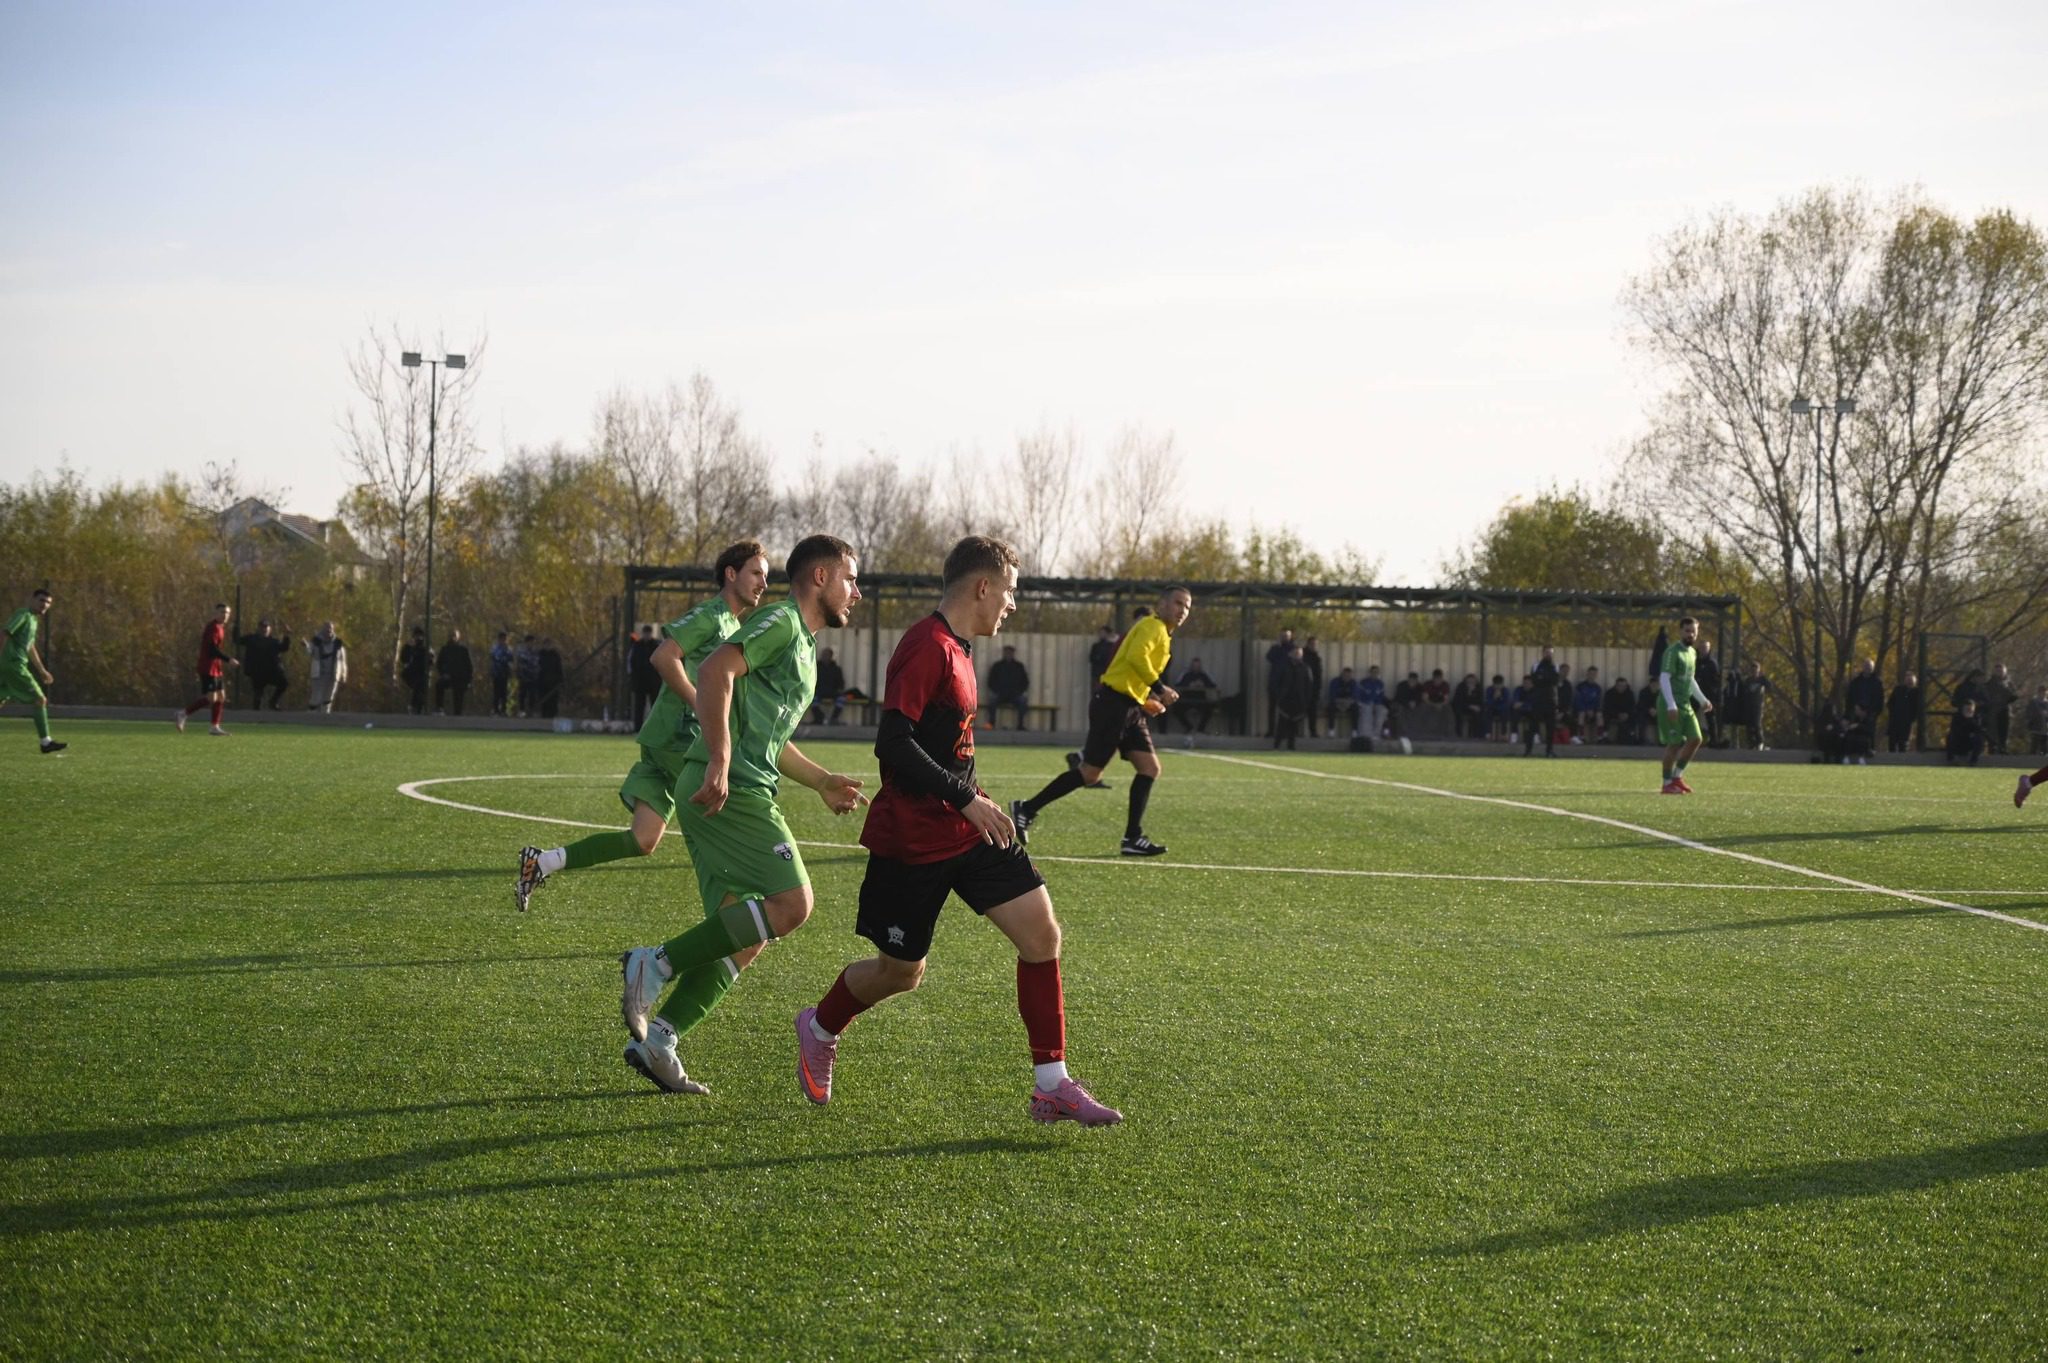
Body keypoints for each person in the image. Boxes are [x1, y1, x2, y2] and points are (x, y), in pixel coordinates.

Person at [794, 535, 1121, 1126]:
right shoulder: (927, 646)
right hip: (913, 838)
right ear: (982, 587)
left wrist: (974, 801)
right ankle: (819, 1026)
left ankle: (1052, 1084)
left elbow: (948, 749)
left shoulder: (962, 648)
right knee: (901, 973)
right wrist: (966, 797)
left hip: (968, 827)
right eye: (1010, 593)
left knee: (1042, 935)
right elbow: (893, 744)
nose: (1012, 605)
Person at [614, 534, 868, 1094]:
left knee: (744, 939)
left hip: (734, 784)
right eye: (850, 578)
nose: (857, 591)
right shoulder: (779, 621)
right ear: (820, 578)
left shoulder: (802, 645)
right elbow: (714, 672)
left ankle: (659, 1040)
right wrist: (721, 760)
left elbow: (771, 739)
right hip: (731, 789)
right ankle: (652, 964)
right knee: (793, 904)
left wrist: (822, 780)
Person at [520, 541, 771, 913]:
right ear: (731, 574)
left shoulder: (732, 625)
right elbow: (663, 657)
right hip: (678, 741)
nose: (763, 583)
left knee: (643, 839)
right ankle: (745, 917)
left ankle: (542, 862)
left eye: (766, 577)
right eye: (756, 573)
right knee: (723, 809)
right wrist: (700, 703)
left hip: (669, 740)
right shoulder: (712, 615)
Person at [1012, 586, 1192, 857]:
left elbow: (1127, 671)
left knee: (1149, 768)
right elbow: (1135, 658)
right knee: (1090, 774)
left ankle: (1133, 838)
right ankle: (1026, 808)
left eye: (1187, 607)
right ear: (1162, 604)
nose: (1182, 610)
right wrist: (1159, 688)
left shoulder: (1163, 635)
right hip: (1113, 706)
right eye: (1178, 603)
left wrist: (1145, 701)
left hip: (1129, 707)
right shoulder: (1151, 625)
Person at [1, 587, 66, 754]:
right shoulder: (23, 614)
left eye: (48, 602)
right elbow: (5, 633)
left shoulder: (33, 620)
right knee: (39, 699)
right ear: (32, 599)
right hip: (13, 666)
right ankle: (46, 743)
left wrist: (42, 670)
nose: (44, 604)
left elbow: (29, 647)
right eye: (41, 600)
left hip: (7, 667)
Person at [1657, 616, 1714, 793]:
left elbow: (1690, 680)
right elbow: (1664, 678)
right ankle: (1667, 784)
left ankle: (1677, 776)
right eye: (1687, 631)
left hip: (1686, 704)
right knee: (1674, 744)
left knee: (1696, 739)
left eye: (1694, 632)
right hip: (1671, 704)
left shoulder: (1692, 653)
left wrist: (1703, 699)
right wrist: (1671, 705)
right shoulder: (1672, 652)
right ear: (1680, 631)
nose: (1691, 635)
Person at [176, 602, 240, 735]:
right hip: (208, 667)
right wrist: (229, 659)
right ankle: (183, 713)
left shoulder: (220, 627)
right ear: (216, 613)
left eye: (227, 613)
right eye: (222, 612)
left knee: (221, 696)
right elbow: (212, 649)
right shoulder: (213, 628)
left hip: (216, 667)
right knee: (212, 698)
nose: (225, 615)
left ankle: (214, 727)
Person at [236, 618, 292, 709]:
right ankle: (256, 715)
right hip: (257, 672)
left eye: (266, 627)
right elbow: (237, 640)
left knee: (283, 684)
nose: (264, 629)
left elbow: (284, 648)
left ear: (270, 629)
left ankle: (273, 702)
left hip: (272, 672)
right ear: (258, 628)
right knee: (258, 694)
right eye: (262, 627)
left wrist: (286, 636)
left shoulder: (273, 641)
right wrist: (236, 627)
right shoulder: (251, 639)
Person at [1271, 642, 1312, 750]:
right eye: (1295, 653)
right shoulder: (1283, 666)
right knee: (1282, 724)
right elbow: (1275, 682)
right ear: (1290, 654)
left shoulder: (1305, 668)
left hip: (1299, 700)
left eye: (1299, 654)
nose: (1297, 655)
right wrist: (1278, 696)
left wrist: (1306, 700)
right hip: (1285, 700)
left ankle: (1291, 746)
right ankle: (1276, 746)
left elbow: (1309, 685)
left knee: (1294, 725)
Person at [985, 644, 1030, 730]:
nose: (1008, 654)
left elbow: (1025, 682)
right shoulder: (997, 666)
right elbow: (990, 681)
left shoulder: (1019, 666)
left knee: (1023, 701)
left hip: (1015, 694)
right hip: (1000, 693)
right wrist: (996, 691)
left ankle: (1020, 725)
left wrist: (1019, 691)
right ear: (1004, 653)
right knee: (992, 700)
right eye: (1007, 652)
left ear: (1013, 653)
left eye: (1010, 652)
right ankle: (991, 723)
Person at [306, 621, 347, 713]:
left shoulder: (338, 643)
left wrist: (343, 675)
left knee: (328, 698)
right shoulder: (316, 641)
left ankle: (325, 718)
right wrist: (306, 646)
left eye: (330, 628)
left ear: (333, 630)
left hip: (333, 674)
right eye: (326, 628)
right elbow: (309, 651)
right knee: (316, 697)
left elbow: (342, 660)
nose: (328, 630)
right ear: (323, 629)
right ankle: (310, 717)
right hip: (318, 674)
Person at [1264, 628, 1296, 737]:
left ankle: (1285, 732)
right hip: (1274, 683)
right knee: (1272, 709)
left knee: (1286, 710)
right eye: (1282, 636)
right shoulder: (1276, 648)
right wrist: (1277, 647)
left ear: (1291, 637)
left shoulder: (1293, 649)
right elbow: (1269, 657)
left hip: (1287, 685)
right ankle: (1271, 731)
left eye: (1287, 636)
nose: (1284, 638)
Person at [628, 623, 662, 726]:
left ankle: (655, 726)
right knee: (639, 705)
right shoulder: (637, 645)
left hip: (654, 680)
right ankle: (637, 727)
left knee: (655, 705)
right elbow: (631, 662)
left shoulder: (657, 645)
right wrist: (633, 676)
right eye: (645, 633)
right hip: (640, 680)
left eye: (648, 633)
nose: (647, 635)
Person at [1174, 657, 1219, 735]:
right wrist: (1189, 685)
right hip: (1187, 700)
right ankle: (1189, 727)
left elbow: (1213, 685)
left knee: (1210, 709)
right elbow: (1177, 684)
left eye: (1198, 666)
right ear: (1191, 666)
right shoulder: (1186, 674)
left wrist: (1203, 685)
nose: (1196, 668)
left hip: (1201, 700)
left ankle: (1200, 729)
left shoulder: (1204, 675)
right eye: (1194, 666)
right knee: (1176, 709)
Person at [1846, 659, 1885, 745]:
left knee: (1869, 733)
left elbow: (1880, 699)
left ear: (1873, 668)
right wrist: (1855, 708)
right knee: (1854, 732)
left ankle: (1870, 751)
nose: (1867, 668)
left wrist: (1869, 712)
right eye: (1866, 666)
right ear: (1863, 667)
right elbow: (1850, 697)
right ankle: (1854, 753)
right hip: (1856, 711)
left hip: (1870, 713)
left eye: (1870, 666)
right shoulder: (1855, 682)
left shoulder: (1877, 683)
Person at [435, 629, 473, 715]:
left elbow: (469, 666)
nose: (453, 638)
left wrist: (469, 680)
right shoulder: (445, 649)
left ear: (458, 637)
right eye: (451, 636)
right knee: (439, 685)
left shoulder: (463, 650)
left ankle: (457, 714)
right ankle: (439, 708)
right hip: (447, 676)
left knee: (458, 695)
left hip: (460, 678)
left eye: (454, 636)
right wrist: (443, 674)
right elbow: (439, 664)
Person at [1983, 663, 2017, 754]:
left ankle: (2003, 749)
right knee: (1992, 732)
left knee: (2004, 732)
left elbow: (2014, 694)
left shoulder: (2009, 683)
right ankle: (1992, 749)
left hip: (2005, 710)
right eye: (1997, 671)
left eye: (2001, 671)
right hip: (1993, 711)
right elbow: (1987, 696)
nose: (2000, 673)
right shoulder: (1989, 684)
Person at [809, 646, 849, 724]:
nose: (824, 656)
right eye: (823, 654)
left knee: (841, 698)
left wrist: (840, 689)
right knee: (810, 699)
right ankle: (819, 717)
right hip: (819, 691)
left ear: (831, 656)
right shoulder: (816, 667)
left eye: (826, 655)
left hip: (832, 691)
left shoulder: (836, 669)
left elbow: (841, 682)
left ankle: (834, 718)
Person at [1694, 640, 1722, 746]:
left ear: (1709, 648)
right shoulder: (1695, 661)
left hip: (1708, 695)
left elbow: (1717, 680)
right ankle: (1688, 737)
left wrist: (1713, 694)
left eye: (1706, 647)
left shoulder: (1712, 663)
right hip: (1695, 693)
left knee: (1711, 718)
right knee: (1690, 714)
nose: (1703, 650)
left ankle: (1714, 740)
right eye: (1702, 647)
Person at [1738, 662, 1772, 750]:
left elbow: (1769, 687)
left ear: (1758, 670)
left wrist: (1765, 680)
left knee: (1757, 724)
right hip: (1748, 706)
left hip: (1758, 706)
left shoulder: (1761, 680)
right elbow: (1743, 693)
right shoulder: (1747, 681)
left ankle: (1760, 742)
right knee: (1749, 725)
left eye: (1755, 670)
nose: (1754, 672)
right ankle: (1751, 743)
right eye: (1752, 670)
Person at [1886, 672, 1921, 753]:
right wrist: (1893, 713)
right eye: (1908, 681)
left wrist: (1912, 718)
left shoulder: (1917, 692)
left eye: (1911, 682)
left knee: (1903, 743)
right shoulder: (1898, 689)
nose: (1909, 683)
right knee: (1892, 742)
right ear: (1905, 681)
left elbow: (1918, 708)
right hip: (1895, 720)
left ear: (1914, 682)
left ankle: (1902, 761)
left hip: (1907, 722)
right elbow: (1890, 703)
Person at [399, 627, 431, 715]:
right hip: (410, 674)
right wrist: (409, 648)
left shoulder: (425, 649)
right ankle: (414, 706)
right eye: (416, 636)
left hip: (421, 674)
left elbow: (430, 662)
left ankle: (418, 708)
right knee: (418, 685)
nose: (418, 638)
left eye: (420, 636)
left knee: (421, 688)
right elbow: (404, 659)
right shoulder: (409, 648)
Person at [1946, 699, 1986, 766]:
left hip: (1970, 741)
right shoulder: (1957, 716)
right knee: (1950, 737)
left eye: (1970, 709)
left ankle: (1973, 761)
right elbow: (1954, 729)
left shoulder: (1977, 717)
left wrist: (1971, 720)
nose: (1969, 711)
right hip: (1959, 740)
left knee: (1979, 739)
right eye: (1967, 709)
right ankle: (1951, 759)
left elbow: (1979, 730)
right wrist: (1966, 721)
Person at [1326, 666, 1361, 739]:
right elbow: (1332, 696)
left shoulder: (1353, 683)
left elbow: (1355, 697)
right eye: (1345, 675)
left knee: (1356, 708)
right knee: (1330, 707)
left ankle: (1354, 731)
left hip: (1348, 704)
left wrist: (1347, 704)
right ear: (1342, 674)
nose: (1346, 677)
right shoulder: (1335, 681)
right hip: (1337, 703)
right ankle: (1331, 730)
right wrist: (1341, 703)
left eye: (1348, 676)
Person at [535, 637, 563, 719]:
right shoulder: (539, 654)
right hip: (542, 680)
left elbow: (559, 668)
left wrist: (560, 679)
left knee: (553, 699)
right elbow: (535, 666)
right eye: (546, 644)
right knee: (543, 698)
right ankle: (544, 715)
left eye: (549, 644)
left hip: (553, 681)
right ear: (543, 645)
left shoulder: (555, 655)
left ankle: (553, 715)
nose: (548, 646)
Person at [1604, 675, 1636, 746]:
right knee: (1605, 717)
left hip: (1627, 716)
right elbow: (1607, 707)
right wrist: (1617, 714)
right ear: (1616, 685)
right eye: (1620, 685)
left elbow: (1632, 707)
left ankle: (1632, 737)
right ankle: (1606, 737)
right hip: (1613, 715)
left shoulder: (1629, 694)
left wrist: (1627, 714)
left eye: (1624, 686)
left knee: (1636, 717)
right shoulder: (1609, 694)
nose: (1622, 687)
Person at [1358, 664, 1387, 740]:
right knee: (1367, 711)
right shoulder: (1363, 682)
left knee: (1382, 711)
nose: (1375, 674)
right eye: (1373, 672)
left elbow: (1381, 697)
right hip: (1365, 703)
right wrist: (1368, 703)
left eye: (1376, 672)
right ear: (1370, 672)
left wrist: (1376, 704)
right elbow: (1359, 696)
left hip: (1377, 704)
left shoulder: (1380, 683)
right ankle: (1366, 736)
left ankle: (1376, 735)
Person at [1451, 672, 1483, 740]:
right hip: (1462, 707)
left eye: (1473, 682)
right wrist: (1468, 693)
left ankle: (1476, 735)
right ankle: (1458, 735)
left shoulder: (1478, 688)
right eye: (1469, 682)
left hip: (1473, 708)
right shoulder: (1461, 687)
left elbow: (1480, 701)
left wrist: (1472, 694)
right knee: (1458, 713)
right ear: (1465, 681)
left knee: (1479, 714)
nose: (1471, 683)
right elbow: (1458, 701)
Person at [1574, 667, 1603, 741]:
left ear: (1596, 675)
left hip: (1593, 710)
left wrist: (1593, 710)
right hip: (1583, 710)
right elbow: (1578, 700)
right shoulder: (1580, 686)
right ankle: (1582, 737)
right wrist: (1586, 709)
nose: (1592, 675)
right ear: (1587, 674)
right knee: (1581, 714)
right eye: (1590, 673)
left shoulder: (1597, 688)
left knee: (1599, 715)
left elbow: (1598, 701)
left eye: (1594, 674)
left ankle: (1600, 738)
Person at [489, 631, 514, 716]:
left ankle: (504, 710)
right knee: (496, 693)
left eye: (505, 639)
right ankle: (496, 710)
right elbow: (495, 657)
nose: (503, 640)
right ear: (499, 639)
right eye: (502, 639)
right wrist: (504, 659)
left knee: (504, 693)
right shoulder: (495, 648)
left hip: (505, 673)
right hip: (497, 673)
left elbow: (511, 659)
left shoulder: (508, 649)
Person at [515, 635, 541, 716]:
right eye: (530, 642)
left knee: (532, 695)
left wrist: (536, 671)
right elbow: (520, 662)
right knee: (522, 694)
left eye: (533, 642)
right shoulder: (521, 651)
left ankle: (532, 710)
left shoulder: (535, 651)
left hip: (533, 676)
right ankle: (521, 710)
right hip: (523, 676)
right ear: (526, 642)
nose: (531, 644)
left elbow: (537, 662)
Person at [1484, 673, 1511, 741]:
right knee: (1487, 712)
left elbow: (1507, 703)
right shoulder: (1489, 690)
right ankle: (1488, 734)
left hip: (1501, 709)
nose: (1498, 687)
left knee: (1505, 712)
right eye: (1496, 685)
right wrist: (1494, 698)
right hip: (1492, 709)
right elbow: (1487, 703)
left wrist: (1501, 698)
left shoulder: (1505, 690)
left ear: (1502, 684)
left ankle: (1503, 734)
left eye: (1500, 684)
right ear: (1493, 684)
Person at [2025, 684, 2048, 756]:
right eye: (2041, 692)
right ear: (2038, 692)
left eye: (2045, 692)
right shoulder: (2034, 702)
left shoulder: (2046, 702)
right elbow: (2029, 713)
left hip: (2045, 728)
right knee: (2034, 746)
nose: (2043, 694)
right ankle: (2031, 761)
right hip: (2036, 728)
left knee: (2044, 747)